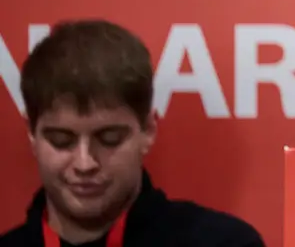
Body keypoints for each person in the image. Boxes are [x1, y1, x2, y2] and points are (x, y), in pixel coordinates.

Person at [1, 20, 265, 247]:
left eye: (109, 139)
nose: (85, 163)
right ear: (32, 135)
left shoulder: (224, 243)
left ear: (148, 130)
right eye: (61, 141)